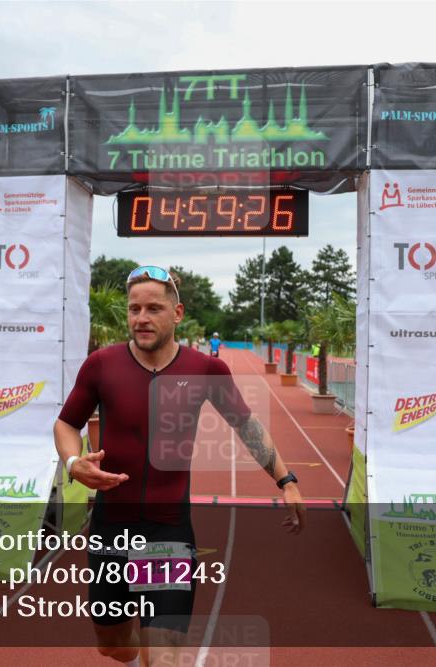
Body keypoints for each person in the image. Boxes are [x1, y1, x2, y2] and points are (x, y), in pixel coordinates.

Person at [54, 265, 304, 666]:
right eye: (134, 309)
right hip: (109, 528)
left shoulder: (206, 370)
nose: (141, 318)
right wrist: (72, 461)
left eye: (153, 308)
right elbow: (67, 423)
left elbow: (246, 426)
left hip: (167, 531)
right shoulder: (101, 365)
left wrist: (286, 480)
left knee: (164, 654)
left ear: (178, 313)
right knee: (113, 645)